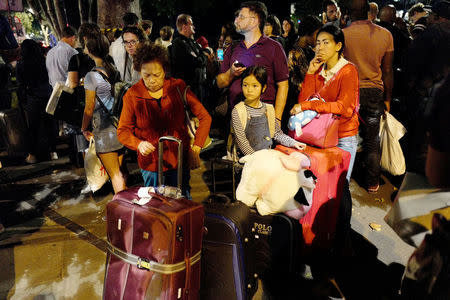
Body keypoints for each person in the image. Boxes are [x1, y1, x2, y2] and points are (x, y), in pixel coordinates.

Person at [117, 43, 211, 197]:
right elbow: (123, 131)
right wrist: (138, 144)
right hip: (151, 164)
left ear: (165, 71)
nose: (152, 80)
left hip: (179, 159)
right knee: (156, 203)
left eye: (157, 74)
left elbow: (205, 117)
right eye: (146, 75)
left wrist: (196, 148)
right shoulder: (132, 95)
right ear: (139, 71)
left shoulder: (178, 87)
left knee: (182, 199)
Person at [291, 25, 360, 181]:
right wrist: (309, 73)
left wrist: (309, 106)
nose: (320, 47)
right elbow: (303, 102)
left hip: (343, 136)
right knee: (321, 185)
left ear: (338, 46)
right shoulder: (317, 69)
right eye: (318, 43)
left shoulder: (348, 71)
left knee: (340, 187)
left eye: (326, 42)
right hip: (320, 136)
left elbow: (345, 108)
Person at [343, 0, 394, 193]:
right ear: (368, 11)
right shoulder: (385, 34)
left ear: (349, 12)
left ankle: (343, 179)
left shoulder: (343, 35)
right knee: (372, 139)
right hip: (374, 91)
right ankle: (372, 182)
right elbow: (388, 71)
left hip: (350, 91)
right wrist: (388, 98)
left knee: (347, 138)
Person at [217, 1, 289, 122]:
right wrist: (231, 73)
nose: (236, 20)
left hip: (263, 120)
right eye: (237, 16)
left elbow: (283, 85)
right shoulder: (233, 47)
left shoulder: (274, 47)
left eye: (241, 16)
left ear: (254, 21)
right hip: (236, 119)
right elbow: (220, 83)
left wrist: (276, 119)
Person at [80, 35, 126, 194]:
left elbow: (89, 108)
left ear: (91, 50)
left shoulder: (91, 76)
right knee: (119, 173)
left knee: (115, 175)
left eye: (86, 45)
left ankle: (122, 210)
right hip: (119, 126)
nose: (84, 47)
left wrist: (83, 128)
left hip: (104, 130)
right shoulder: (113, 69)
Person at [232, 66, 304, 156]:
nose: (249, 90)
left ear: (263, 88)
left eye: (255, 86)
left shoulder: (268, 109)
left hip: (266, 156)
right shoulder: (238, 111)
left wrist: (294, 143)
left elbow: (277, 134)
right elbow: (242, 142)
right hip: (247, 160)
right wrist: (256, 159)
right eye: (245, 85)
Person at [16, 39, 58, 164]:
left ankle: (32, 155)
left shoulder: (21, 65)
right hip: (47, 95)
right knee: (50, 124)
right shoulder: (44, 62)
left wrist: (23, 99)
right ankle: (53, 152)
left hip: (33, 97)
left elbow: (21, 85)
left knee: (33, 127)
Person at [170, 14, 209, 101]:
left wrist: (202, 56)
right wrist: (203, 56)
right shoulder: (178, 43)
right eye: (191, 24)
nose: (194, 27)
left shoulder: (191, 42)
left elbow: (201, 57)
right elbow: (195, 61)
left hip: (199, 87)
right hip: (188, 89)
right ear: (184, 26)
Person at [110, 12, 139, 80]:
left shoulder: (114, 45)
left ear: (122, 26)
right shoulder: (138, 44)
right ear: (137, 25)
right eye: (126, 42)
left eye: (132, 41)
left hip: (122, 83)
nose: (129, 45)